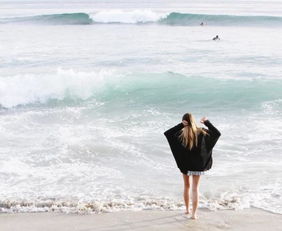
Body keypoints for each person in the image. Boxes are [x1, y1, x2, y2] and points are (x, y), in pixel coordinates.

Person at [164, 113, 221, 219]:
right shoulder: (202, 132)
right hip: (198, 166)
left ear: (184, 121)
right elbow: (217, 133)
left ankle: (187, 210)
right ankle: (194, 214)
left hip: (185, 165)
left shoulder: (180, 134)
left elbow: (167, 133)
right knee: (195, 188)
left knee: (186, 186)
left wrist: (180, 125)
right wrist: (207, 122)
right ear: (193, 121)